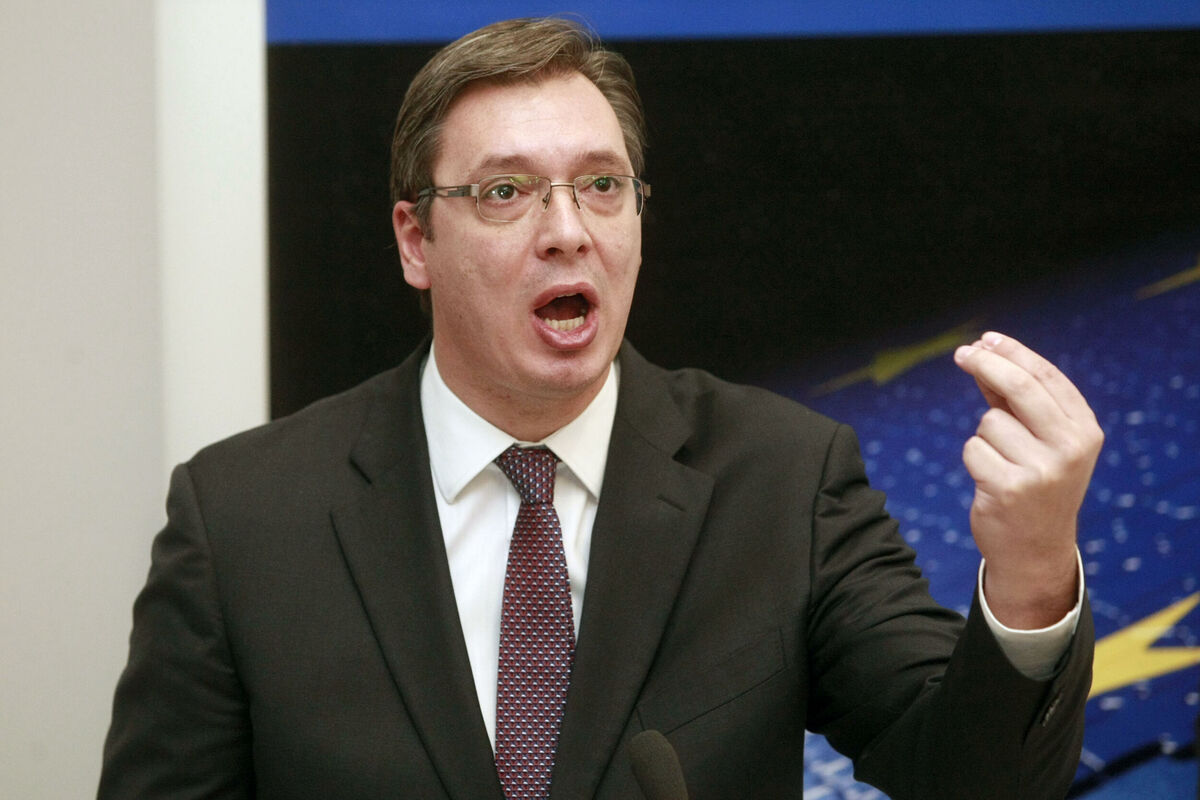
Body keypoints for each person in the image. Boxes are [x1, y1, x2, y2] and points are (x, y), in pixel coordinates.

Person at [99, 16, 1102, 800]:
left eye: (602, 185)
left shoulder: (783, 479)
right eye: (506, 192)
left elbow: (970, 779)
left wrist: (1030, 574)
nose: (568, 230)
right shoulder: (244, 519)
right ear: (415, 240)